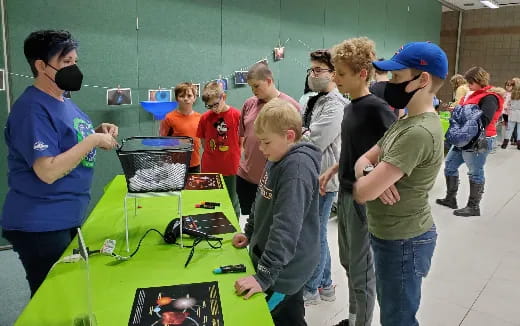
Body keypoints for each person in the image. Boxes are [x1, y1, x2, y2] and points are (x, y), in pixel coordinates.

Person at [1, 30, 119, 296]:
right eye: (66, 62)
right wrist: (92, 141)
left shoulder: (62, 100)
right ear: (41, 66)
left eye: (75, 61)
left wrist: (96, 132)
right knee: (53, 297)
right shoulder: (32, 108)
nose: (74, 68)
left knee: (70, 290)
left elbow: (68, 141)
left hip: (65, 216)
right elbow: (47, 170)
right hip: (40, 222)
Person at [352, 42, 447, 326]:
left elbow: (361, 192)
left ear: (423, 79)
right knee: (393, 310)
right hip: (390, 234)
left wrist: (368, 179)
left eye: (396, 77)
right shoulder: (405, 120)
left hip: (404, 241)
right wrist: (369, 171)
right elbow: (363, 160)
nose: (390, 84)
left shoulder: (418, 131)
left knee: (398, 318)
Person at [320, 37, 396, 326]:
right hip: (346, 193)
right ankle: (354, 318)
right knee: (349, 263)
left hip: (364, 199)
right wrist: (335, 168)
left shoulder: (377, 108)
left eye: (341, 73)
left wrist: (380, 180)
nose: (335, 78)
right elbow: (361, 147)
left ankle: (360, 322)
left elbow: (393, 149)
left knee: (362, 271)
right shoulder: (351, 107)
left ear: (362, 73)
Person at [232, 99, 320, 326]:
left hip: (285, 271)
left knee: (285, 317)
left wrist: (264, 277)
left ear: (289, 136)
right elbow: (261, 197)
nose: (261, 149)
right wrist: (250, 232)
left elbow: (286, 228)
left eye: (266, 142)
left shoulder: (297, 169)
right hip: (275, 262)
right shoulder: (277, 155)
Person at [301, 49, 348, 305]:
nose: (313, 74)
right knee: (315, 232)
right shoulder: (314, 100)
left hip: (324, 180)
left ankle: (311, 288)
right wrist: (303, 131)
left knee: (314, 234)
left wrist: (303, 132)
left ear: (333, 73)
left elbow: (314, 140)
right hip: (311, 175)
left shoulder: (336, 105)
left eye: (319, 70)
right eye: (311, 70)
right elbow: (299, 130)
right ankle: (326, 284)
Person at [437, 66, 504, 216]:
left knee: (475, 172)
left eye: (470, 82)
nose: (468, 85)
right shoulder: (473, 94)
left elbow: (484, 120)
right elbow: (468, 114)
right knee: (450, 165)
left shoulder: (490, 97)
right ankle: (450, 198)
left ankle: (473, 206)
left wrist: (462, 116)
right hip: (464, 137)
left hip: (479, 139)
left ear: (479, 81)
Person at [237, 63, 300, 216]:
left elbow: (295, 145)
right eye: (251, 87)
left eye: (257, 86)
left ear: (269, 81)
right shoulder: (249, 103)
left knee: (268, 223)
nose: (254, 91)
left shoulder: (290, 106)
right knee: (248, 222)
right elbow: (242, 137)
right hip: (246, 176)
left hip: (272, 180)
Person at [197, 81, 242, 218]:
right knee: (211, 200)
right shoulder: (205, 118)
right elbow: (204, 142)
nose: (213, 109)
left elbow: (242, 142)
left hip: (231, 167)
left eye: (216, 104)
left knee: (232, 200)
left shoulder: (236, 115)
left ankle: (234, 229)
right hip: (210, 167)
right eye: (209, 106)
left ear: (224, 97)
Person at [160, 82, 202, 173]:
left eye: (189, 96)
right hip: (175, 165)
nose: (186, 99)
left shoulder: (200, 118)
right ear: (177, 99)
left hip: (195, 164)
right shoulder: (168, 118)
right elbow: (163, 142)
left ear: (194, 98)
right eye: (182, 96)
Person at [502, 78, 520, 149]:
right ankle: (519, 145)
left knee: (509, 129)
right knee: (519, 130)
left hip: (512, 112)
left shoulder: (510, 94)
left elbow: (507, 104)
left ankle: (504, 144)